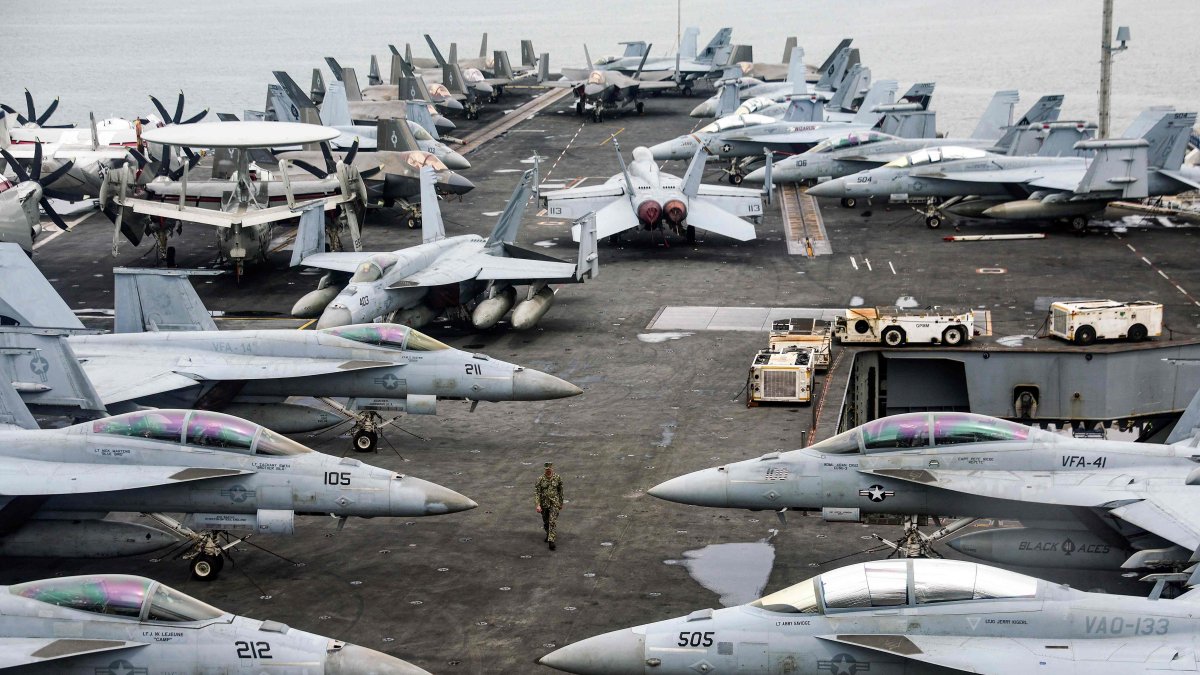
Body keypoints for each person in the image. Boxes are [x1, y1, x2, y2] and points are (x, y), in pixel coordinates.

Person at [534, 462, 564, 550]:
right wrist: (538, 505)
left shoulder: (557, 478)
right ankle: (548, 533)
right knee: (546, 521)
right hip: (544, 504)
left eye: (549, 469)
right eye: (546, 469)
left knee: (552, 521)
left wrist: (561, 503)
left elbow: (560, 491)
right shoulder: (540, 479)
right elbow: (537, 492)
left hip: (554, 503)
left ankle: (551, 541)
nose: (548, 471)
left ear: (552, 468)